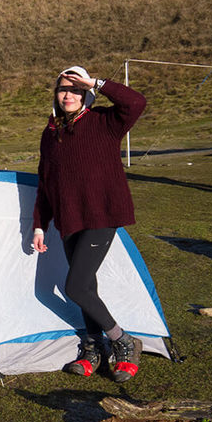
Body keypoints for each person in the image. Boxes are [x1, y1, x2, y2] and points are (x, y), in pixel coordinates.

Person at [32, 66, 147, 382]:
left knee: (75, 286)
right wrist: (40, 225)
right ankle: (93, 349)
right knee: (87, 287)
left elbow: (136, 103)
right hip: (70, 220)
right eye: (63, 89)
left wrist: (97, 82)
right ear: (55, 95)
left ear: (86, 94)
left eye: (76, 89)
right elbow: (45, 183)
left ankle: (122, 340)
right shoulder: (51, 133)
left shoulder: (105, 123)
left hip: (101, 216)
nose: (68, 95)